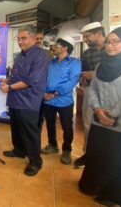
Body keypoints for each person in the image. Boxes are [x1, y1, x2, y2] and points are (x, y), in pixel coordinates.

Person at [79, 26, 121, 207]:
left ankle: (116, 197)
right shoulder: (102, 65)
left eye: (116, 42)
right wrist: (98, 110)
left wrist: (111, 113)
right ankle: (95, 188)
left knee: (120, 161)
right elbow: (92, 88)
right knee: (98, 156)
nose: (110, 46)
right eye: (108, 42)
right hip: (99, 121)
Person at [1, 26, 49, 176]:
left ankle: (35, 161)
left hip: (28, 100)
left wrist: (9, 87)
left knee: (30, 132)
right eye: (18, 39)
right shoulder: (20, 55)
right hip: (15, 99)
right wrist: (7, 80)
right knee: (15, 128)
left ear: (33, 38)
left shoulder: (41, 55)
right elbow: (16, 75)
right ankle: (19, 150)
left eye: (23, 38)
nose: (20, 42)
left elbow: (31, 80)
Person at [40, 36, 81, 165]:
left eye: (56, 45)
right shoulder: (50, 63)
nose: (53, 47)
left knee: (67, 126)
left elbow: (72, 81)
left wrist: (53, 94)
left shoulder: (75, 63)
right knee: (50, 125)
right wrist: (44, 94)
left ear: (65, 47)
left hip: (64, 101)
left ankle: (67, 150)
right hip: (47, 100)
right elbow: (43, 78)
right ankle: (52, 145)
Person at [74, 22, 105, 168]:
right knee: (88, 124)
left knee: (107, 126)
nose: (85, 40)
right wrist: (83, 78)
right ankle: (87, 154)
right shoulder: (86, 53)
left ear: (98, 33)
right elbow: (84, 73)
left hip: (111, 94)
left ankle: (105, 157)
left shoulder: (113, 50)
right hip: (90, 91)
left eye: (87, 37)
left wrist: (95, 74)